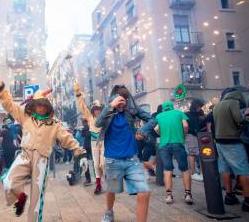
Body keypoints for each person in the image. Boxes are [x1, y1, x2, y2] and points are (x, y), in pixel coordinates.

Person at [0, 77, 88, 222]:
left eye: (44, 105)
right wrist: (1, 90)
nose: (41, 108)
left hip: (41, 160)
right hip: (24, 155)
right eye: (38, 105)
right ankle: (20, 197)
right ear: (33, 105)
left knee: (36, 200)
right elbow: (10, 105)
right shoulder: (25, 117)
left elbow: (67, 138)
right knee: (8, 182)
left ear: (48, 106)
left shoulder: (55, 123)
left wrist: (80, 153)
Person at [95, 85, 151, 222]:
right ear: (113, 99)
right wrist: (111, 106)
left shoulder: (132, 111)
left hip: (132, 159)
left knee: (144, 192)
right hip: (112, 160)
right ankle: (109, 212)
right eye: (120, 98)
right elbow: (98, 123)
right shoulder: (108, 112)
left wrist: (143, 130)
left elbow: (152, 118)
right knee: (111, 190)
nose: (123, 101)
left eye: (126, 98)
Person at [213, 90, 249, 212]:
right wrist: (246, 116)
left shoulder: (217, 105)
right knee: (242, 169)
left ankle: (229, 195)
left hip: (219, 141)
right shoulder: (233, 102)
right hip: (232, 140)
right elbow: (239, 119)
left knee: (224, 169)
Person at [153, 101, 193, 205]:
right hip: (178, 143)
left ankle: (168, 196)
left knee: (167, 169)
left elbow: (156, 128)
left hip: (164, 145)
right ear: (172, 107)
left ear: (163, 108)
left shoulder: (160, 116)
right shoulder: (179, 113)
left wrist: (163, 134)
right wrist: (183, 135)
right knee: (184, 168)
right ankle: (188, 194)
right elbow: (185, 125)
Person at [74, 82, 105, 194]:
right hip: (93, 142)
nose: (97, 110)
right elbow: (82, 106)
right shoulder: (89, 117)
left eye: (99, 108)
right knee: (96, 164)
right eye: (95, 109)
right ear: (93, 110)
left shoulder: (104, 117)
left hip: (103, 141)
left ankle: (106, 179)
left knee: (103, 163)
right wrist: (78, 94)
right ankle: (98, 184)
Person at [185, 99, 205, 181]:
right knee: (193, 154)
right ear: (197, 106)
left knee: (195, 154)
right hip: (192, 135)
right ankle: (194, 173)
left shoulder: (188, 114)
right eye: (200, 106)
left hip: (195, 135)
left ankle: (198, 172)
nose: (200, 108)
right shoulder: (191, 114)